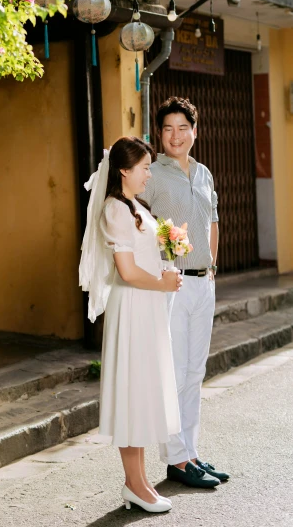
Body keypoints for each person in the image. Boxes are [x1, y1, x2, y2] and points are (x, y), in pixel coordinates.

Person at [79, 136, 183, 514]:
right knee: (131, 393)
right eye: (144, 168)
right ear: (124, 170)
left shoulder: (135, 206)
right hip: (133, 307)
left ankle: (139, 483)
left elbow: (144, 256)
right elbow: (125, 271)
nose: (148, 174)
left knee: (142, 392)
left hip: (147, 306)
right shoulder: (115, 210)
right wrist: (161, 282)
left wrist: (168, 263)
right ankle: (134, 483)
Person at [140, 97, 230, 488]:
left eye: (182, 128)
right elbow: (140, 223)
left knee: (195, 372)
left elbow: (212, 221)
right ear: (159, 134)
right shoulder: (152, 174)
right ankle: (176, 461)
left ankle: (191, 452)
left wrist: (212, 266)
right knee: (175, 373)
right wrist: (166, 249)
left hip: (202, 282)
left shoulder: (205, 173)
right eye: (167, 128)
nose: (175, 136)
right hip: (170, 281)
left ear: (195, 131)